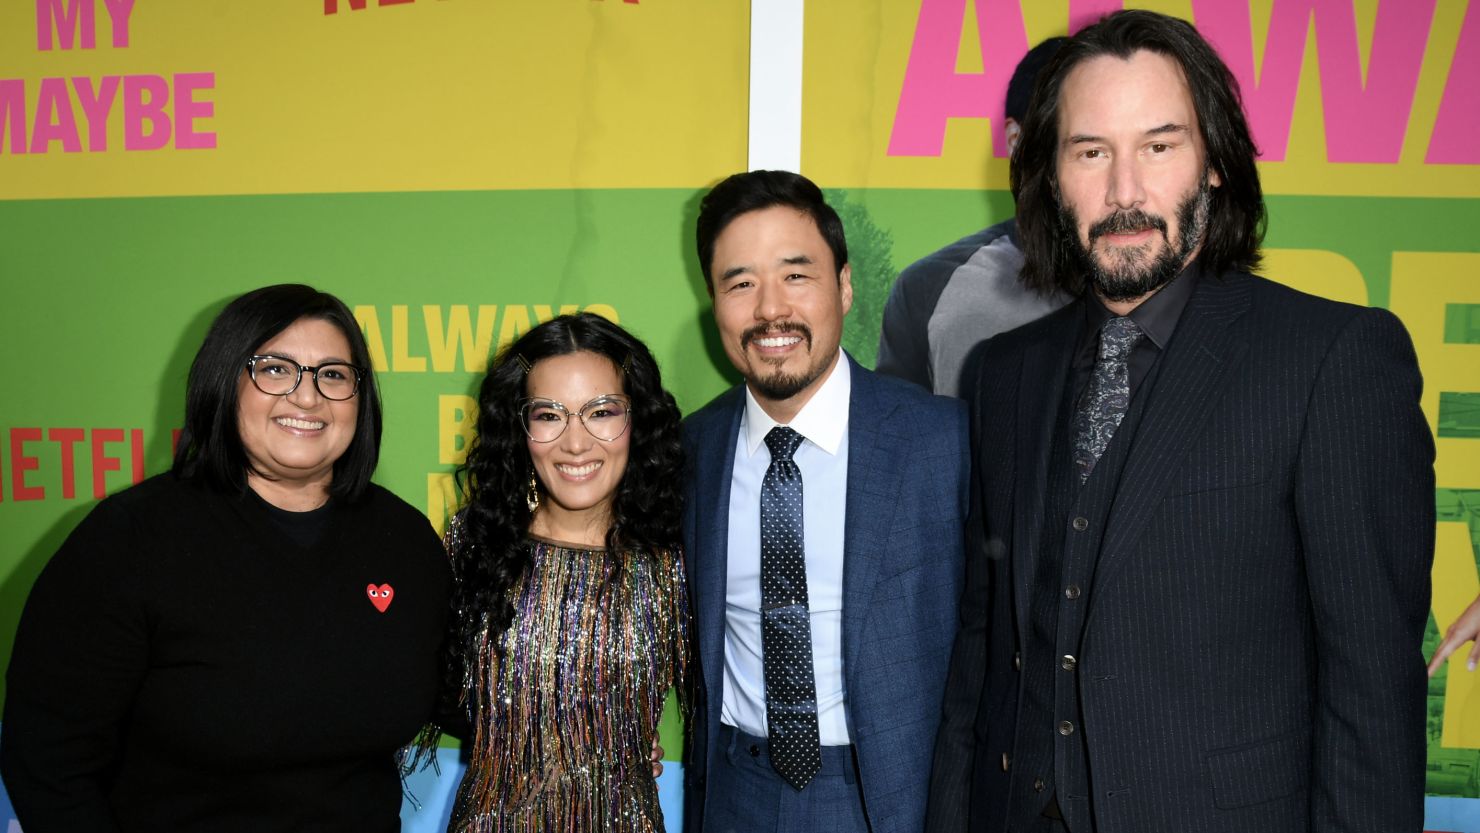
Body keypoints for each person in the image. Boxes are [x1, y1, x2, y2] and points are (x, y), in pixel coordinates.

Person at [928, 10, 1434, 833]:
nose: (1125, 190)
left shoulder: (1333, 359)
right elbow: (982, 659)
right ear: (1052, 177)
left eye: (1159, 146)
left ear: (1215, 166)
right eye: (1091, 152)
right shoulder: (1002, 374)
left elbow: (1372, 689)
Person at [1, 284, 451, 832]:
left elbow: (466, 698)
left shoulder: (404, 539)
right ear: (225, 380)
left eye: (333, 374)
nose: (307, 397)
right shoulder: (131, 539)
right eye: (274, 369)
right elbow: (50, 760)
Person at [682, 169, 969, 832]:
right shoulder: (690, 450)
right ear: (714, 302)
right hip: (734, 793)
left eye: (796, 274)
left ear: (843, 286)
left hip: (892, 797)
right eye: (741, 282)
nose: (769, 309)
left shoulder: (943, 441)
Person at [421, 312, 687, 832]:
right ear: (519, 427)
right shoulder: (472, 543)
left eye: (602, 411)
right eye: (549, 415)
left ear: (638, 418)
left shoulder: (674, 559)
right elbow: (424, 687)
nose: (576, 443)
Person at [876, 36, 1071, 397]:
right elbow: (893, 443)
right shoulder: (931, 288)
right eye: (1063, 136)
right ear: (1015, 141)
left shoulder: (1179, 286)